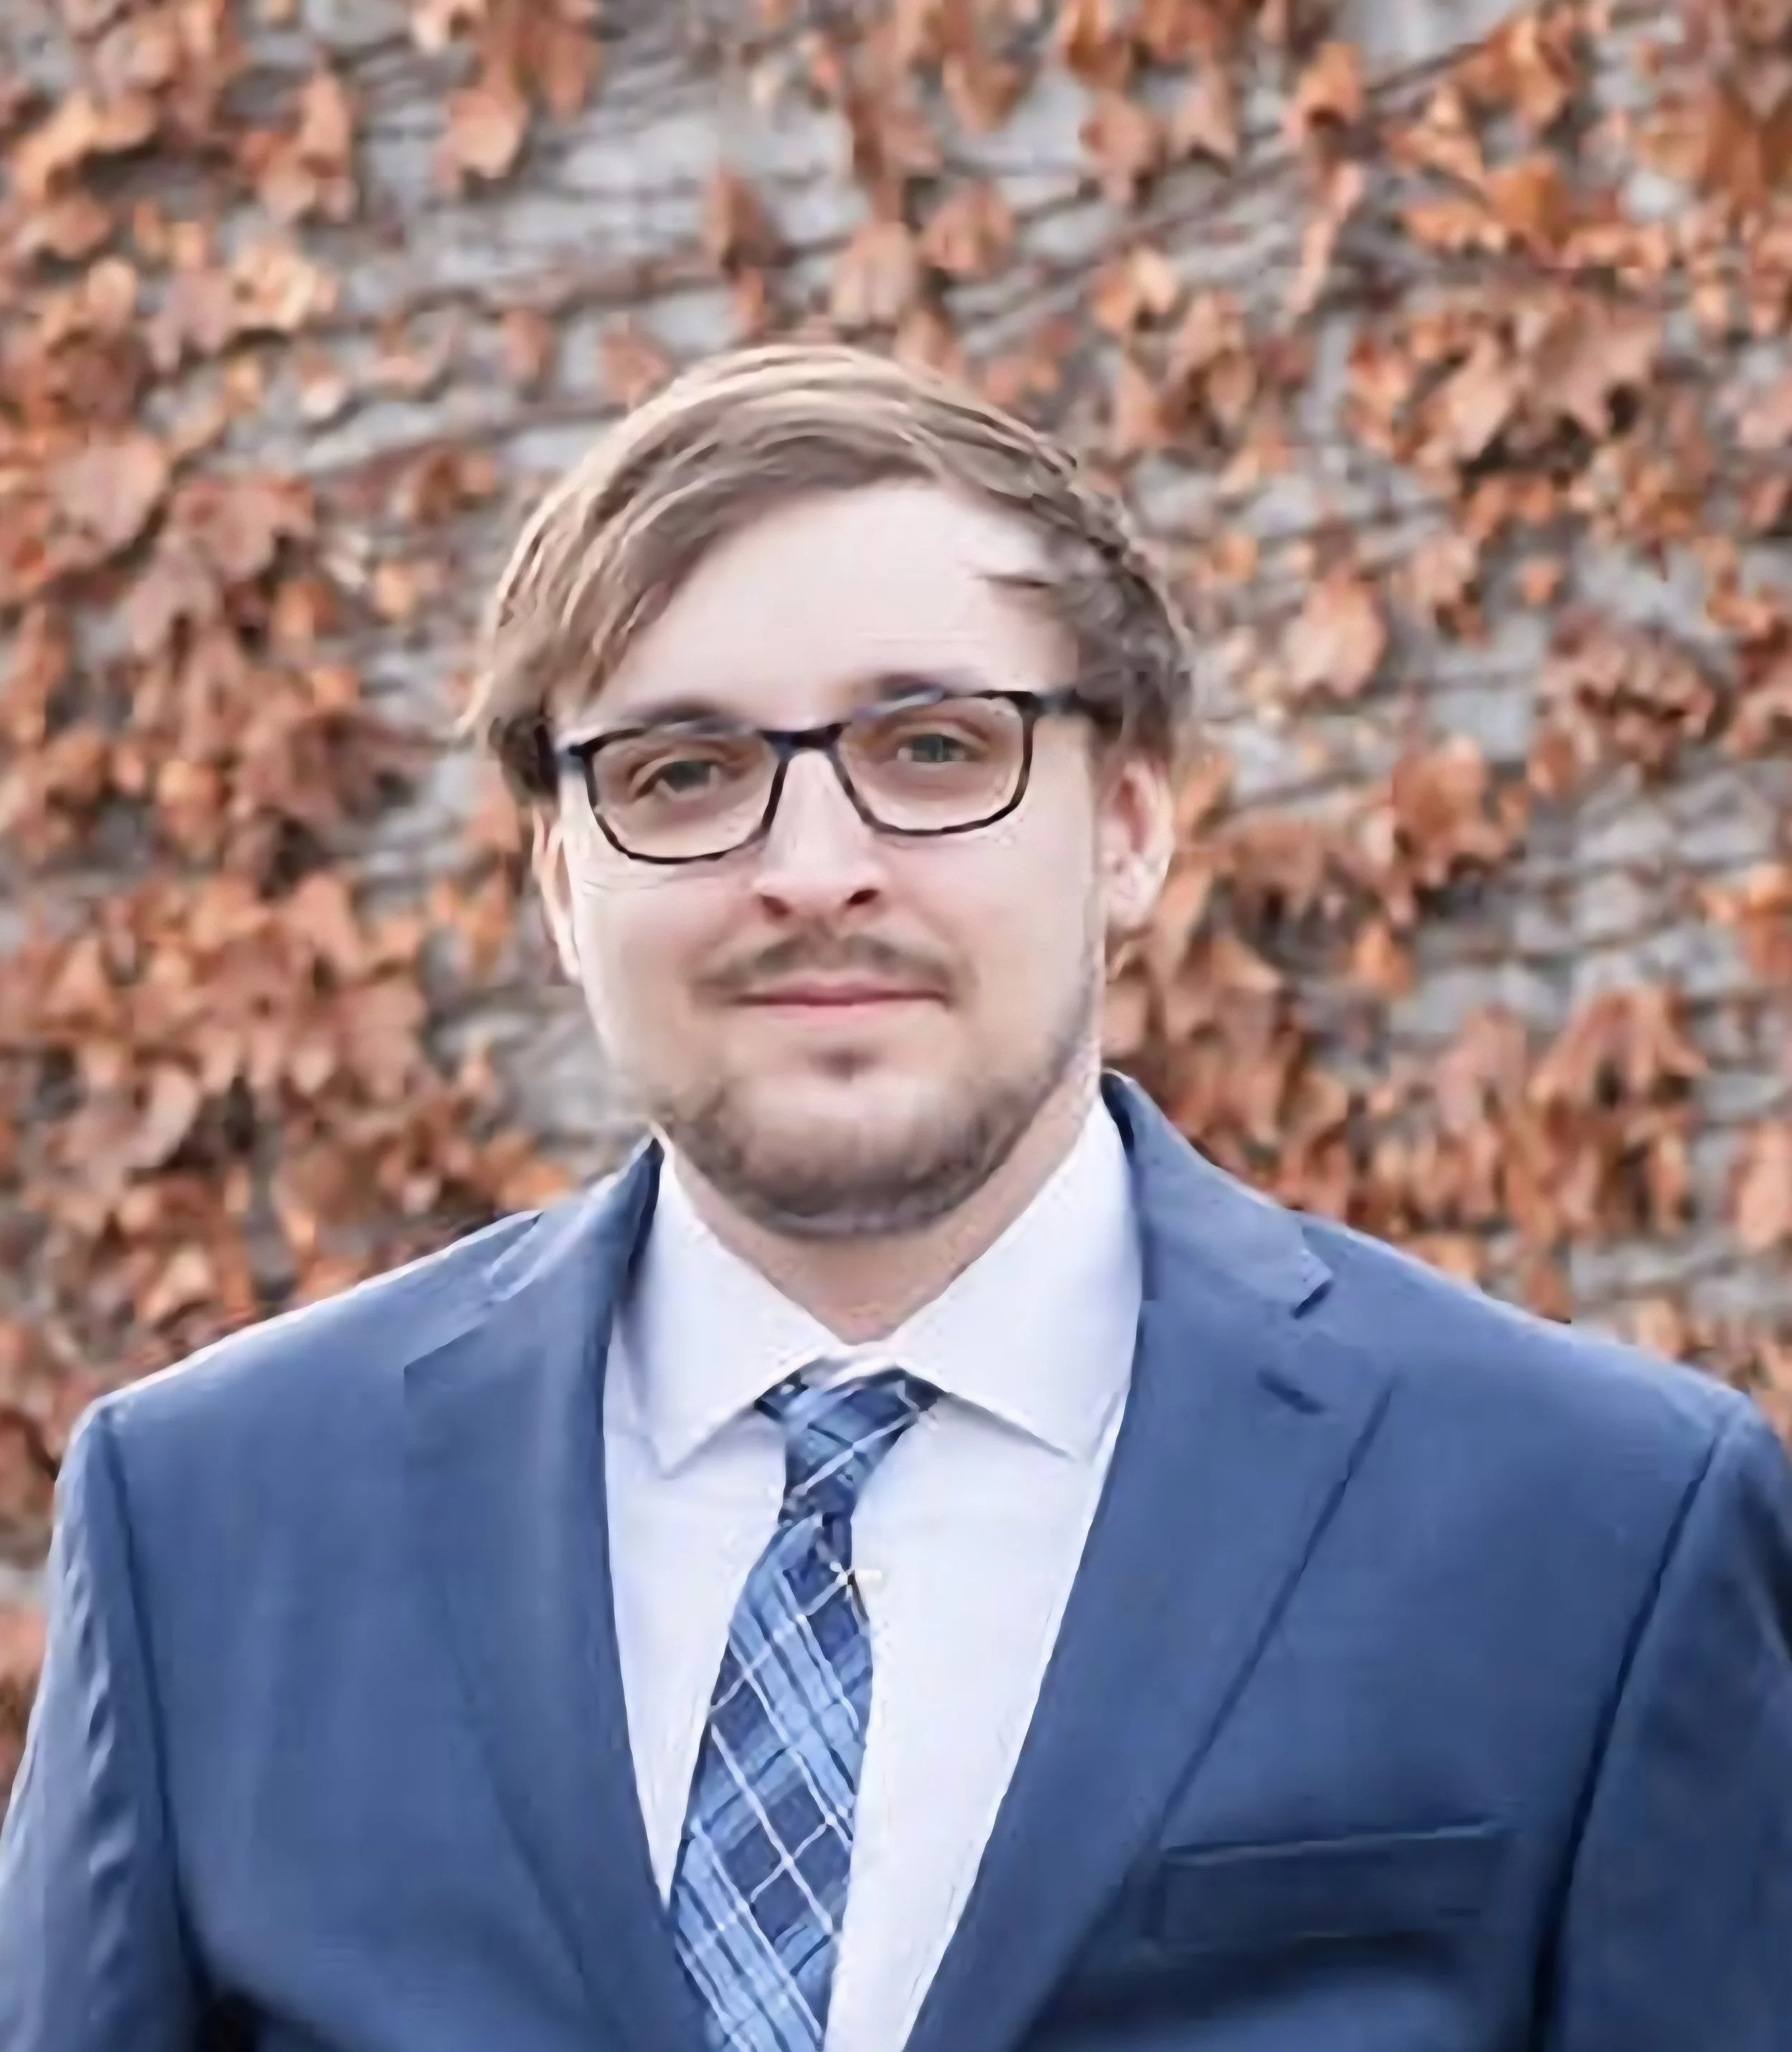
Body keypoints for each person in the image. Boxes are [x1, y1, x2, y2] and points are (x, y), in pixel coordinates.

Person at [1, 341, 1788, 2052]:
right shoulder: (212, 1522)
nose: (811, 870)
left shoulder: (1595, 1526)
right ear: (557, 879)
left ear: (1129, 825)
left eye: (932, 748)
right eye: (681, 774)